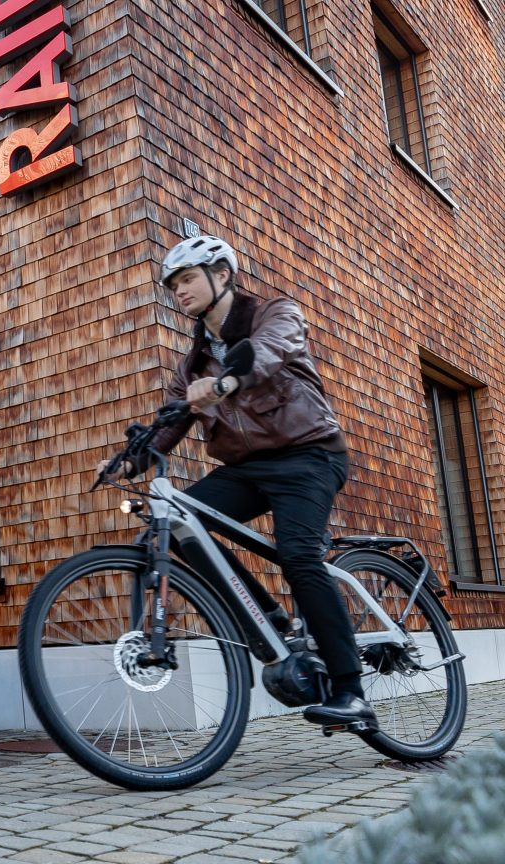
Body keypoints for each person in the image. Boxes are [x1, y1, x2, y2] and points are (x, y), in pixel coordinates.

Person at [100, 233, 376, 729]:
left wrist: (227, 380)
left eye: (187, 279)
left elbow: (267, 352)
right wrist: (129, 461)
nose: (179, 291)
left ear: (221, 275)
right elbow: (171, 421)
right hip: (247, 469)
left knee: (298, 555)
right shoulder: (193, 365)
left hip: (310, 457)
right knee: (179, 522)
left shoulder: (276, 314)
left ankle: (351, 690)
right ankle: (268, 620)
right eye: (174, 285)